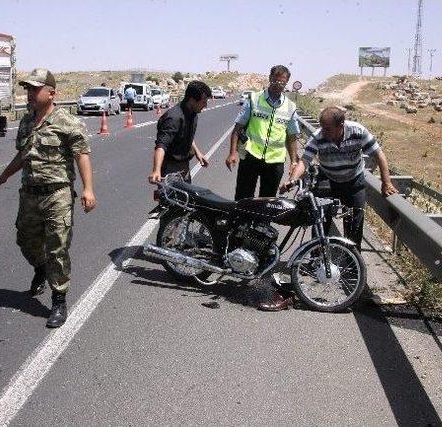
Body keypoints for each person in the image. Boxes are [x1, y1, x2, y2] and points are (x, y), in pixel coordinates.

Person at [257, 106, 399, 311]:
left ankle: (352, 265)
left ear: (341, 125)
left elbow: (379, 155)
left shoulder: (358, 131)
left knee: (354, 223)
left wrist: (386, 182)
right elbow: (304, 161)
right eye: (322, 128)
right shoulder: (319, 135)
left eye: (328, 129)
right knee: (319, 219)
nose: (323, 132)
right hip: (328, 180)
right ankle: (317, 260)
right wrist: (292, 180)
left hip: (353, 181)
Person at [0, 68, 97, 328]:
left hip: (57, 194)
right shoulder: (26, 121)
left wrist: (88, 189)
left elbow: (82, 154)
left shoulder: (67, 122)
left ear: (51, 93)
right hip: (29, 194)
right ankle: (40, 267)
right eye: (28, 89)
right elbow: (23, 155)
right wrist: (4, 176)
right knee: (24, 239)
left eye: (35, 89)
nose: (30, 94)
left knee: (57, 246)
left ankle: (58, 300)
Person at [225, 65, 300, 200]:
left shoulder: (290, 106)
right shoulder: (254, 99)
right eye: (275, 81)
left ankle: (261, 222)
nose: (278, 85)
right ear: (270, 78)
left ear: (286, 83)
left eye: (282, 82)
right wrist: (233, 152)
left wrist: (294, 161)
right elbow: (238, 128)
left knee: (267, 201)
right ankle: (241, 221)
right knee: (243, 199)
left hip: (275, 162)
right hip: (251, 156)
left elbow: (292, 136)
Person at [148, 81, 211, 184]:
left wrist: (198, 153)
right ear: (192, 100)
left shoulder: (193, 114)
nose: (206, 105)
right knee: (172, 199)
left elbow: (186, 135)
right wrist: (156, 170)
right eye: (203, 102)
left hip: (184, 167)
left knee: (187, 199)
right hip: (170, 170)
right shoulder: (174, 118)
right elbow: (161, 145)